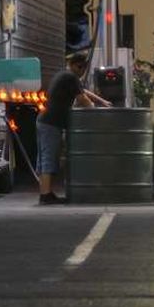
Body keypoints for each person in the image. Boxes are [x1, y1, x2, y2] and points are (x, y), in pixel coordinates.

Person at [37, 51, 107, 204]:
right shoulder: (70, 77)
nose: (83, 74)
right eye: (82, 69)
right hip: (51, 123)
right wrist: (96, 112)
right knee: (49, 157)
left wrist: (102, 101)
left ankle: (45, 193)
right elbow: (82, 98)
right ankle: (45, 195)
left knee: (44, 158)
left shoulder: (64, 75)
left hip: (45, 121)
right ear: (78, 66)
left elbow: (83, 91)